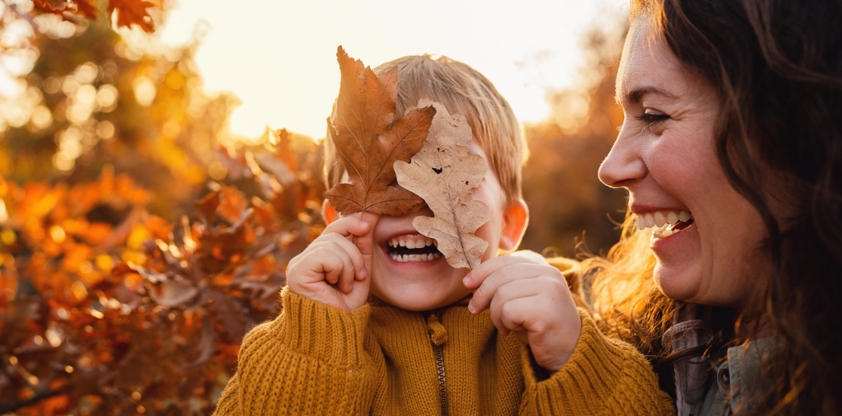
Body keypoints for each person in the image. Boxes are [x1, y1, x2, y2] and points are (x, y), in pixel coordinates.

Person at [212, 54, 669, 415]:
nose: (418, 206)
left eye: (450, 176)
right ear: (338, 221)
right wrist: (313, 345)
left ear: (509, 226)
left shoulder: (560, 325)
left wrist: (573, 361)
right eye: (391, 181)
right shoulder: (307, 340)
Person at [575, 0, 842, 415]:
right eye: (623, 119)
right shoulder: (622, 366)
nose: (610, 168)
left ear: (796, 127)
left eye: (653, 115)